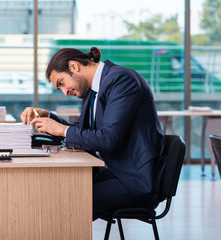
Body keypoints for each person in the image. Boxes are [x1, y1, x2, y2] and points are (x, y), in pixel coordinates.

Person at [20, 47, 167, 220]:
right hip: (113, 172)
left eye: (61, 83)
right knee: (55, 192)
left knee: (66, 202)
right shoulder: (93, 91)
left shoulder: (121, 80)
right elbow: (83, 132)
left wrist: (61, 130)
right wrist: (48, 117)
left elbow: (108, 139)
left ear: (73, 66)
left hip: (134, 180)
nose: (65, 92)